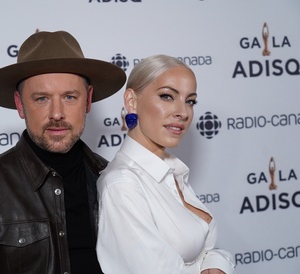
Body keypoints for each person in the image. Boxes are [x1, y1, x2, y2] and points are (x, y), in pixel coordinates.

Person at [0, 30, 126, 274]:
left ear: (88, 100)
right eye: (41, 99)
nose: (57, 114)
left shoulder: (112, 180)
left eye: (70, 97)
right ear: (20, 104)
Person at [96, 54, 236, 274]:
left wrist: (217, 262)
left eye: (190, 101)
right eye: (167, 96)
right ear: (131, 101)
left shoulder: (171, 172)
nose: (183, 112)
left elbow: (204, 251)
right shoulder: (122, 185)